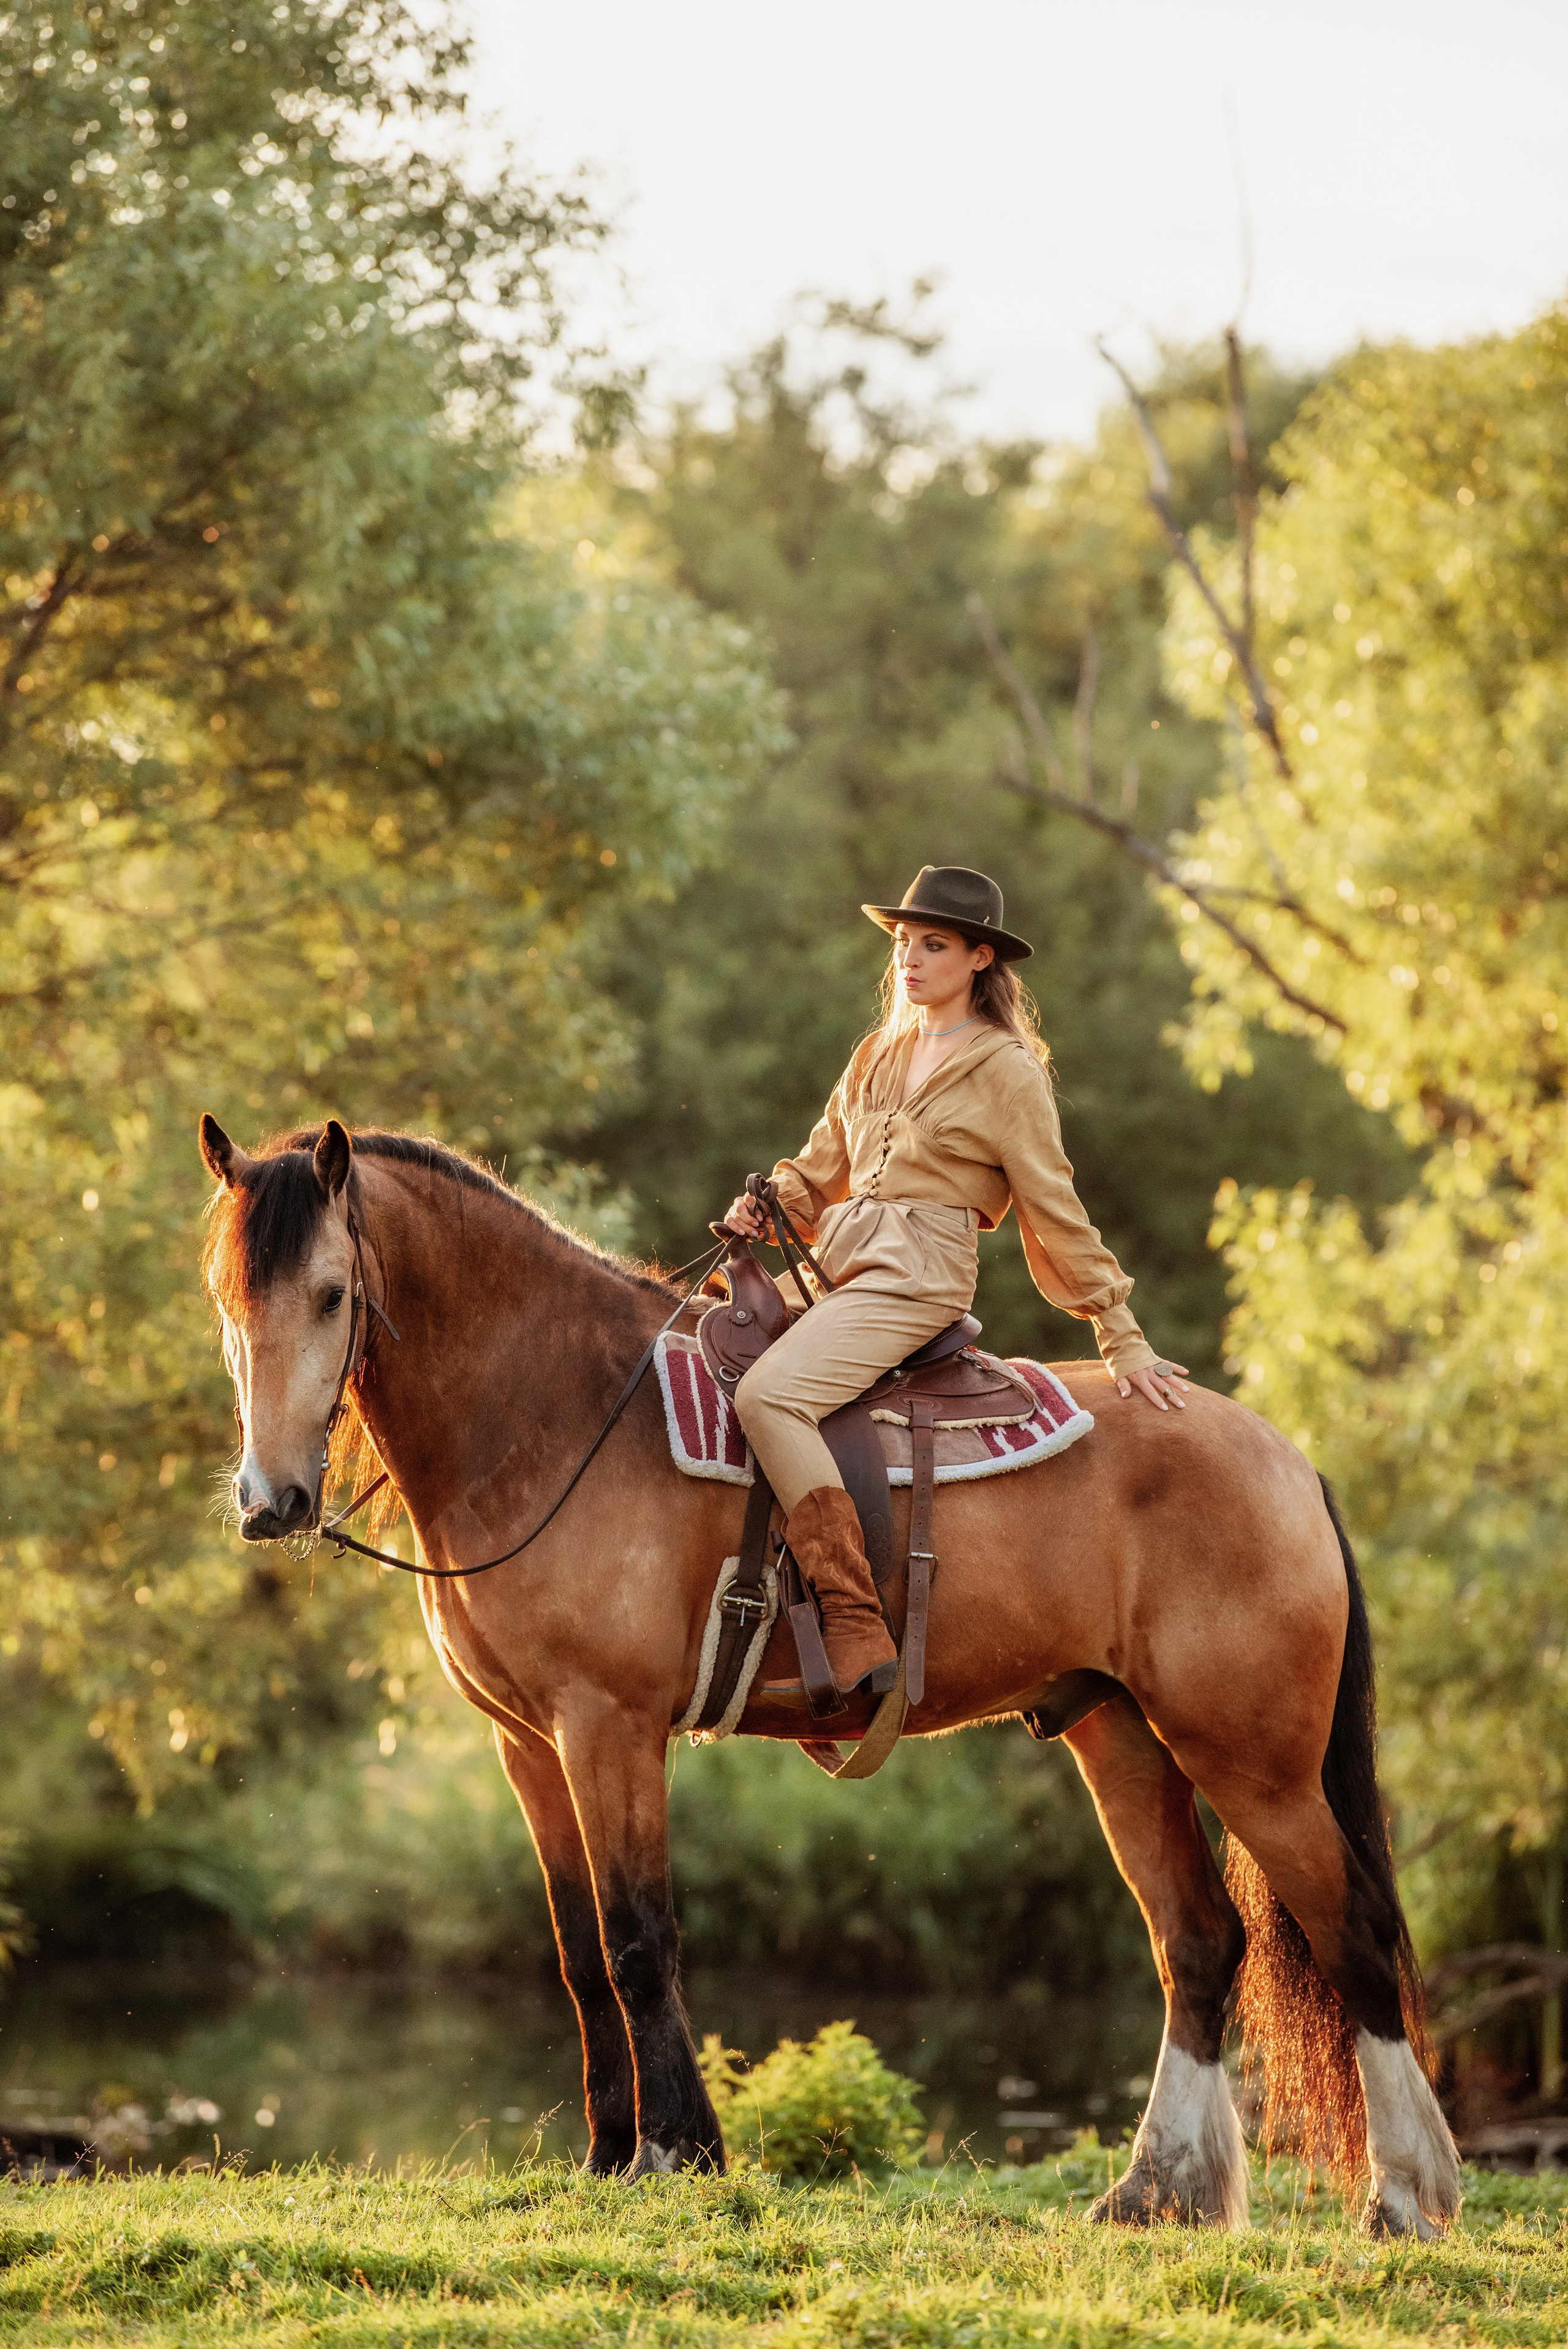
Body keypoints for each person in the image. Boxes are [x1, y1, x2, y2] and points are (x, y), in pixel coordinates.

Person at [723, 864, 1189, 1699]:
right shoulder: (877, 1052)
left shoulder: (1008, 1069)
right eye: (904, 942)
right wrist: (770, 1205)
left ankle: (851, 1613)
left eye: (933, 945)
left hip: (917, 1278)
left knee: (770, 1397)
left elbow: (1054, 1202)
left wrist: (1121, 1335)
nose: (909, 958)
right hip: (840, 1266)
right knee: (698, 1338)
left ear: (980, 958)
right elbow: (820, 1170)